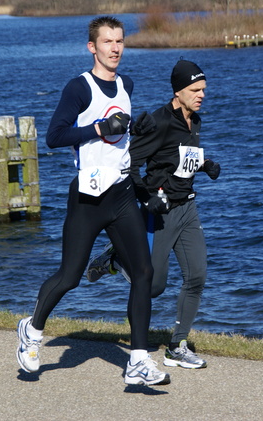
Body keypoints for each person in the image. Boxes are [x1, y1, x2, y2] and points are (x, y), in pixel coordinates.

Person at [16, 16, 170, 386]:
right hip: (88, 197)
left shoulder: (126, 84)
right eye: (108, 42)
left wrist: (138, 128)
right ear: (92, 47)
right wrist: (101, 128)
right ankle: (32, 331)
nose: (116, 48)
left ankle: (137, 360)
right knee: (70, 277)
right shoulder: (79, 88)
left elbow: (122, 136)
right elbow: (54, 136)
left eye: (120, 41)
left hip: (120, 194)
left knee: (144, 273)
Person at [86, 59, 221, 370]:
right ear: (178, 90)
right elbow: (129, 164)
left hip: (187, 208)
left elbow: (179, 158)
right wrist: (147, 198)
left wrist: (205, 164)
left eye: (203, 89)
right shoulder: (159, 122)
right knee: (154, 286)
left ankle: (177, 346)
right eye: (195, 90)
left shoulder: (195, 121)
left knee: (197, 276)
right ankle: (115, 260)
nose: (201, 95)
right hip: (159, 212)